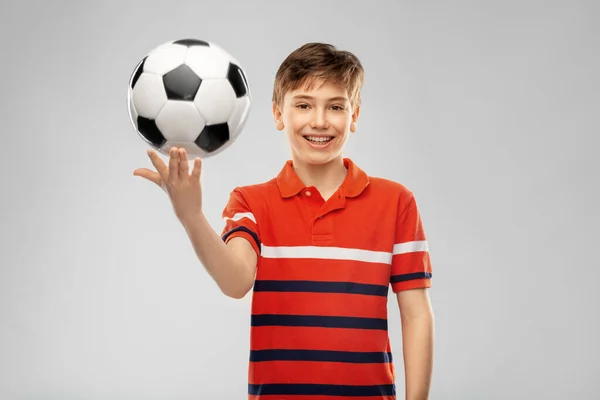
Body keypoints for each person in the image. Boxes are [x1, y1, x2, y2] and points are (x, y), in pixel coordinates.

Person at [134, 42, 434, 400]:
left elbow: (416, 315)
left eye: (335, 107)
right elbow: (235, 281)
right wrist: (191, 216)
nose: (319, 121)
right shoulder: (251, 202)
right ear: (279, 114)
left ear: (354, 116)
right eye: (304, 105)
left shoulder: (396, 202)